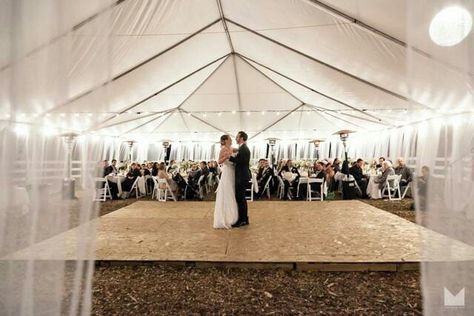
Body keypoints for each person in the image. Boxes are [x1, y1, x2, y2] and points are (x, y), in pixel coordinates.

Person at [213, 135, 239, 229]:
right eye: (230, 138)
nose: (232, 139)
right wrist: (226, 157)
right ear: (226, 140)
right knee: (228, 193)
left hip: (233, 172)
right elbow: (219, 161)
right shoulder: (223, 149)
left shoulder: (231, 148)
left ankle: (233, 216)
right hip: (227, 172)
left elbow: (240, 150)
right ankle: (228, 217)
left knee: (233, 192)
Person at [229, 131, 251, 227]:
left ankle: (242, 220)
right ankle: (244, 219)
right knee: (241, 198)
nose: (236, 138)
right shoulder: (242, 148)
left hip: (241, 176)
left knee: (240, 198)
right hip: (242, 176)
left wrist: (229, 157)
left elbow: (241, 162)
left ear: (241, 138)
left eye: (237, 137)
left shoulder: (244, 149)